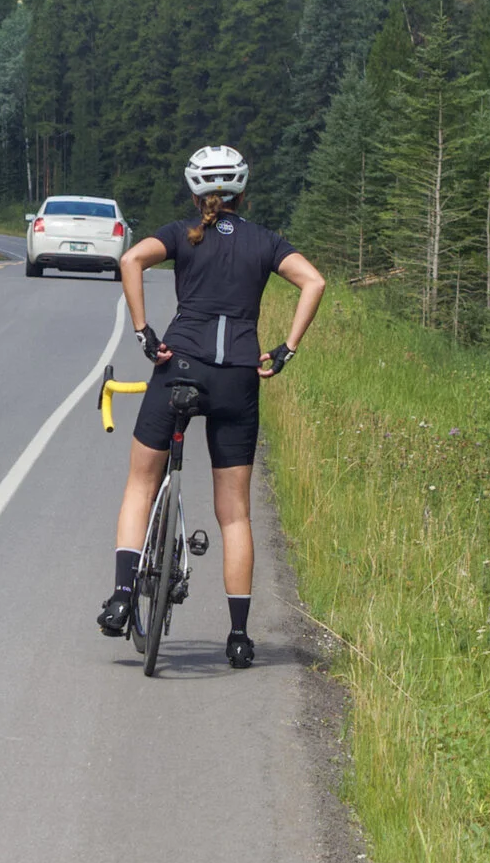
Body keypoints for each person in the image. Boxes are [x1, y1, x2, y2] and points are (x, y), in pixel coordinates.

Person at [98, 145, 327, 669]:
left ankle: (121, 598)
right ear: (243, 193)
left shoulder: (182, 233)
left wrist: (143, 332)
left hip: (180, 365)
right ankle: (239, 637)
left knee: (141, 483)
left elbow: (130, 259)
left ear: (194, 192)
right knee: (235, 513)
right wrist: (287, 348)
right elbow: (313, 281)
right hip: (237, 378)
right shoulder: (265, 241)